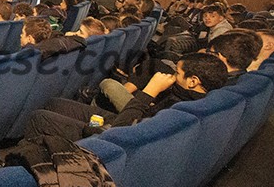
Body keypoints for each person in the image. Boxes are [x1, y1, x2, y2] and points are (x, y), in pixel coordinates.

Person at [23, 52, 228, 143]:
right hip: (126, 119)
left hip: (114, 133)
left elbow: (122, 131)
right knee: (55, 103)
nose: (173, 76)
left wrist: (150, 91)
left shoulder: (179, 108)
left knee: (40, 118)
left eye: (178, 73)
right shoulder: (189, 97)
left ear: (193, 81)